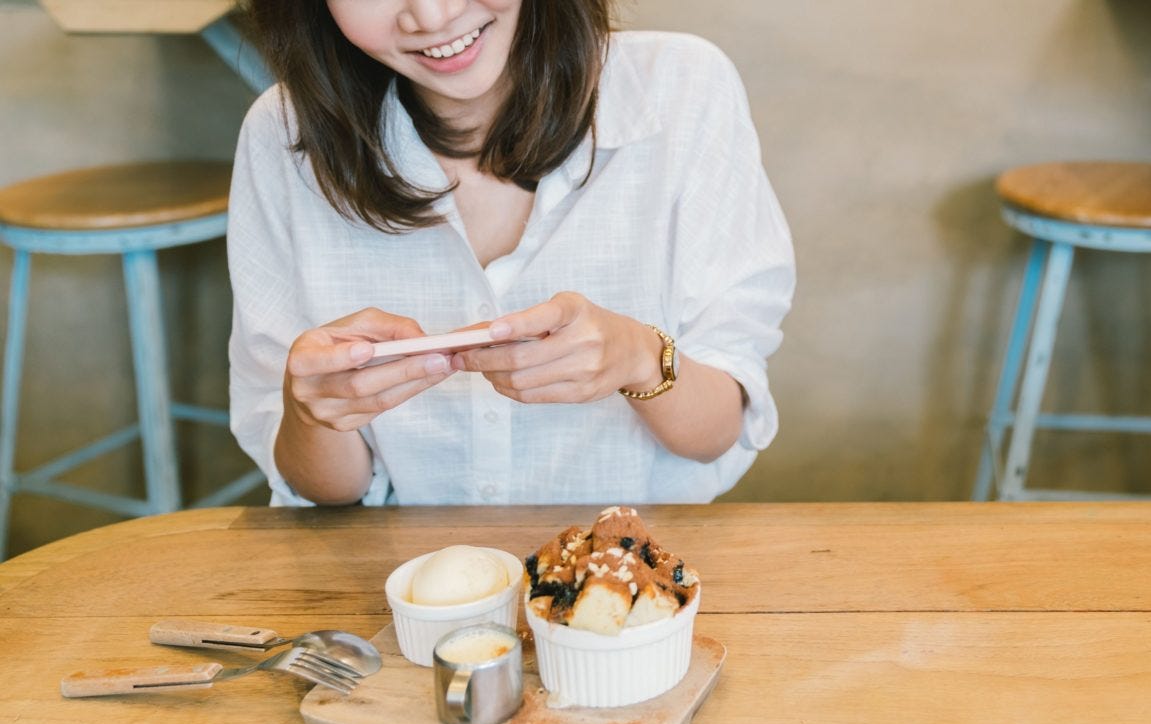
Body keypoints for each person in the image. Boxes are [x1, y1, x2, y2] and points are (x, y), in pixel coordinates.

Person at [229, 0, 795, 507]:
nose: (431, 15)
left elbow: (715, 432)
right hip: (402, 587)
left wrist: (636, 356)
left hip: (636, 586)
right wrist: (315, 408)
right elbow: (327, 490)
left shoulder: (681, 90)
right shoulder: (283, 137)